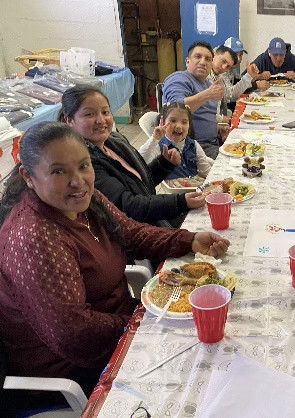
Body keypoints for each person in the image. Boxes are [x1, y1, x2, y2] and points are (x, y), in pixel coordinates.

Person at [0, 122, 230, 411]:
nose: (78, 181)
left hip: (120, 325)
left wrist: (190, 240)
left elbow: (131, 233)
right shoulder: (34, 237)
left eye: (83, 166)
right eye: (59, 171)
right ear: (28, 177)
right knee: (199, 375)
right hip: (74, 367)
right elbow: (73, 333)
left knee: (214, 338)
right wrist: (142, 325)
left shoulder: (85, 200)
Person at [60, 85, 205, 228]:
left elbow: (138, 183)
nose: (101, 120)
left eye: (105, 112)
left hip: (148, 217)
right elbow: (129, 206)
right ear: (69, 121)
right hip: (133, 231)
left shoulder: (114, 142)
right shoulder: (84, 163)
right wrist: (180, 202)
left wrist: (164, 164)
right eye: (89, 114)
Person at [162, 41, 226, 158]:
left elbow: (204, 116)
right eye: (198, 56)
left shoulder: (208, 85)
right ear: (187, 61)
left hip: (214, 143)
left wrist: (218, 129)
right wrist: (208, 95)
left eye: (208, 59)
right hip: (193, 150)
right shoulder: (179, 78)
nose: (203, 62)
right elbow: (174, 110)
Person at [138, 102, 213, 179]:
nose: (179, 126)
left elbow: (207, 171)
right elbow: (138, 163)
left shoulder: (193, 145)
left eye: (184, 122)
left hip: (195, 185)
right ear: (163, 122)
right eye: (173, 121)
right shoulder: (159, 145)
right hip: (167, 187)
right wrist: (154, 139)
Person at [221, 37, 265, 112]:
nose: (239, 59)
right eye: (235, 54)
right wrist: (255, 84)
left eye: (241, 55)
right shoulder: (221, 69)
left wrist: (253, 76)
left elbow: (238, 81)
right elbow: (231, 95)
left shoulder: (231, 67)